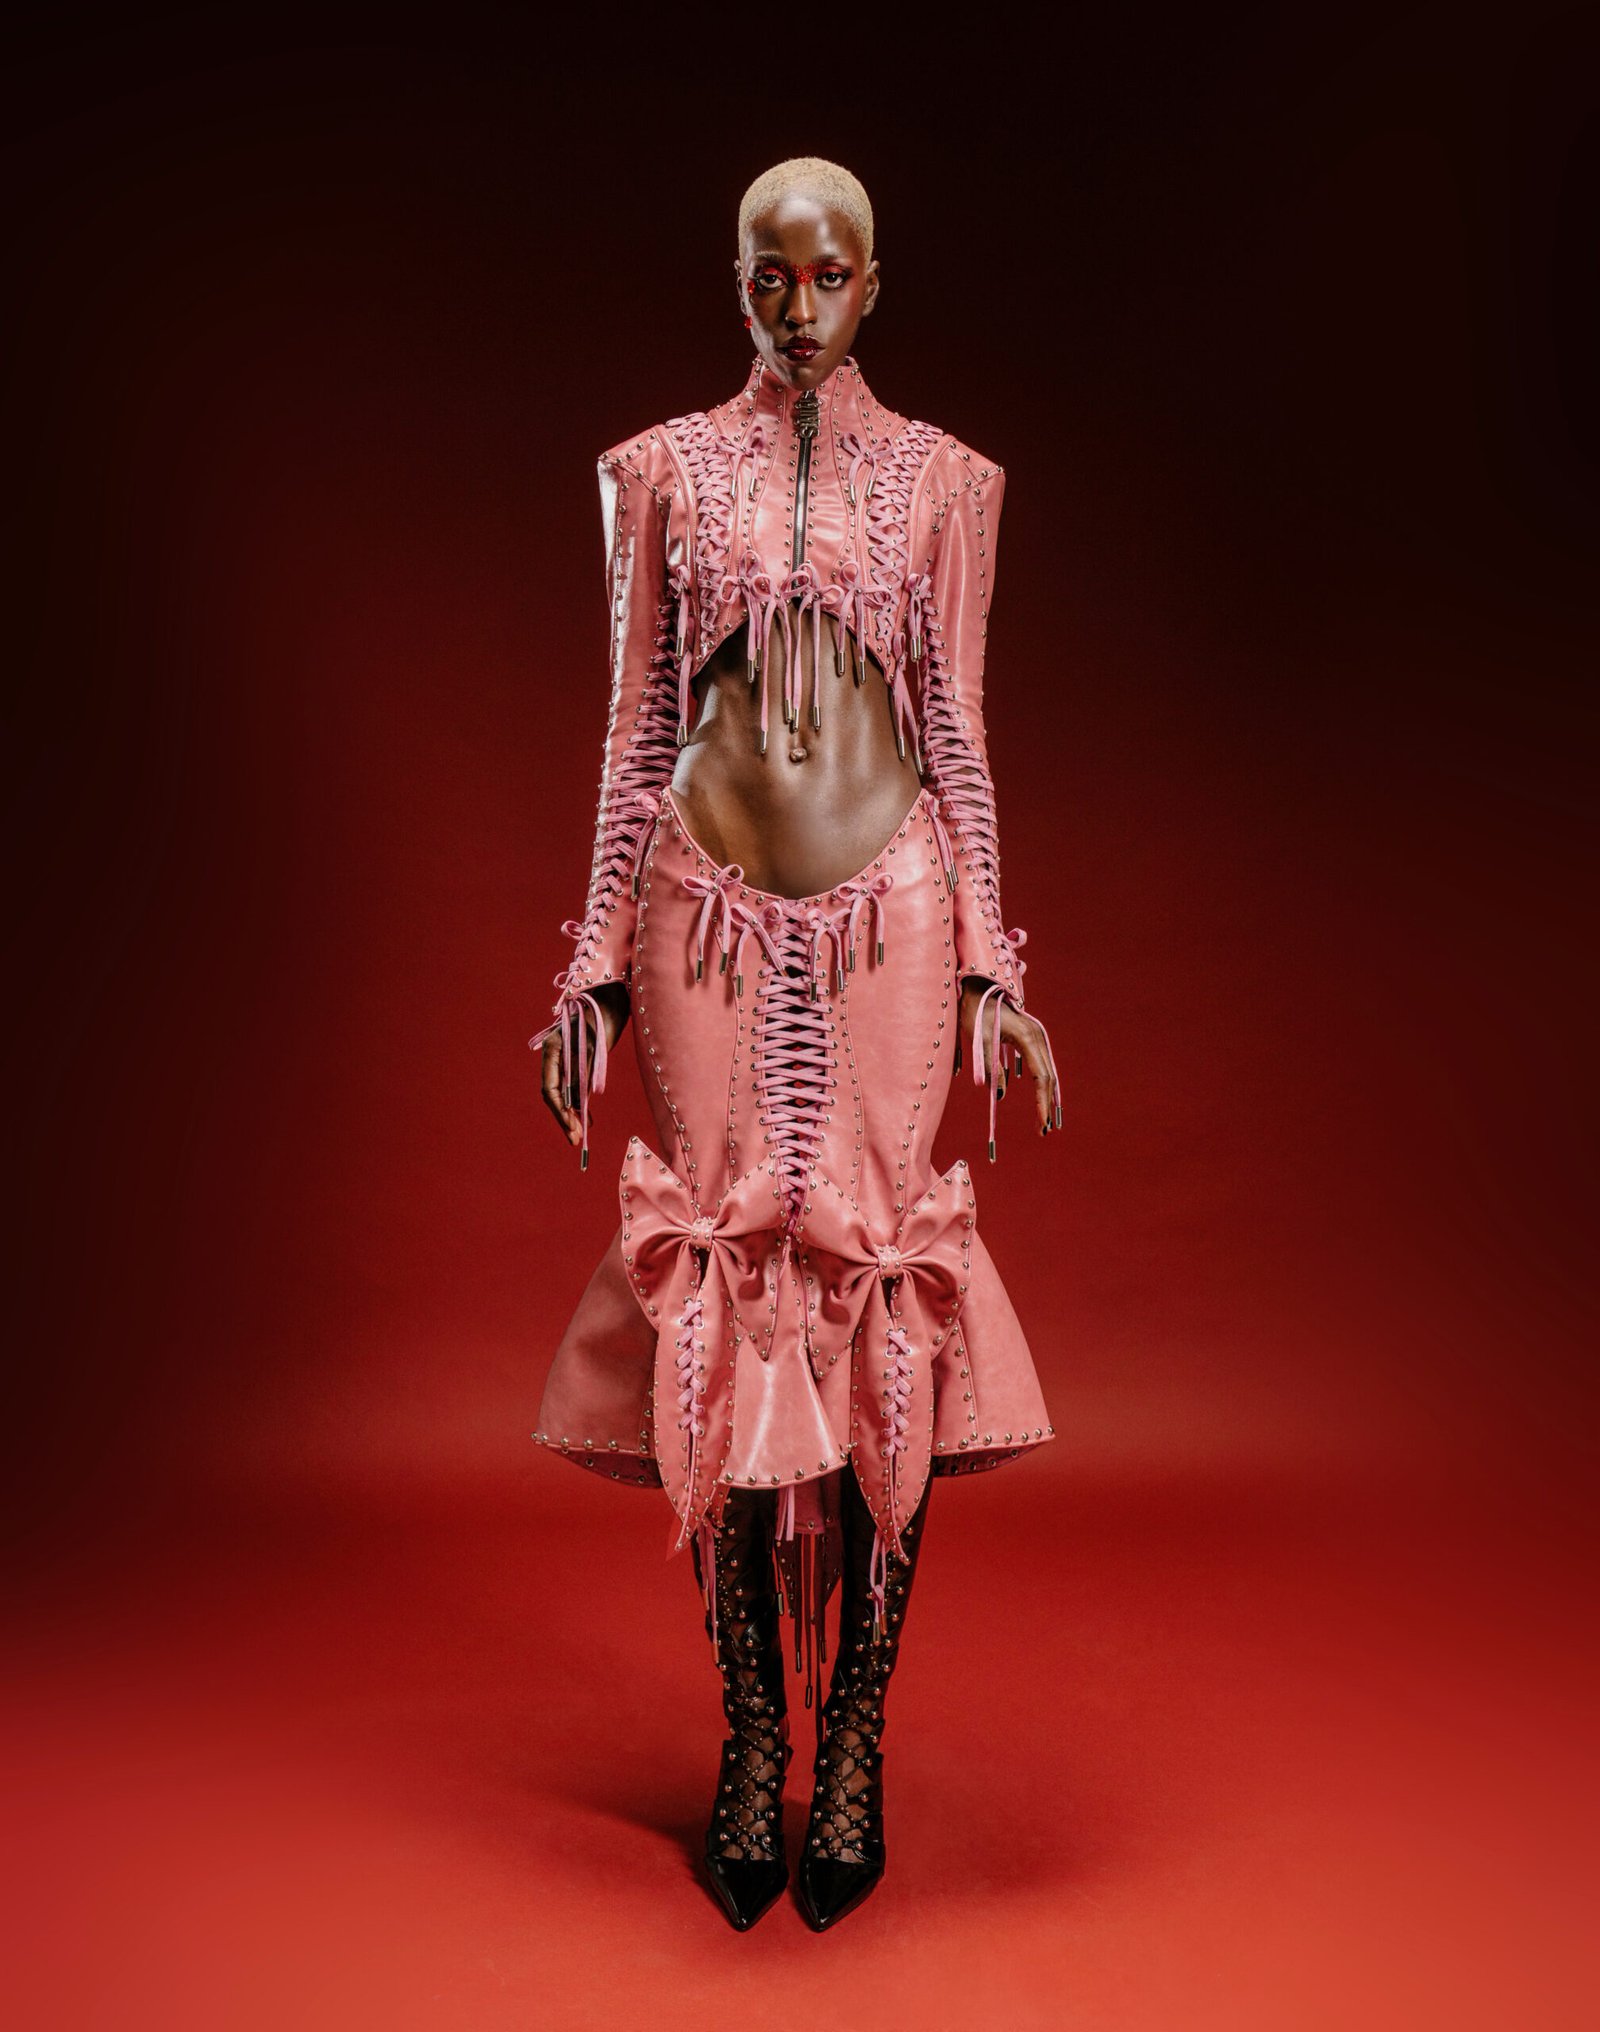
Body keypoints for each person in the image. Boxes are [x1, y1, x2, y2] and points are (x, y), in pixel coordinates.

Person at [530, 157, 1060, 1932]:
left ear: (874, 283)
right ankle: (753, 1730)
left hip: (893, 908)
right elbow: (633, 736)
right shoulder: (660, 474)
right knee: (729, 1289)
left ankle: (859, 1737)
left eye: (831, 275)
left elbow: (959, 734)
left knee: (877, 1286)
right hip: (698, 908)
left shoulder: (949, 484)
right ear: (736, 279)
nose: (801, 307)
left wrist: (992, 966)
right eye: (772, 275)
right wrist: (591, 970)